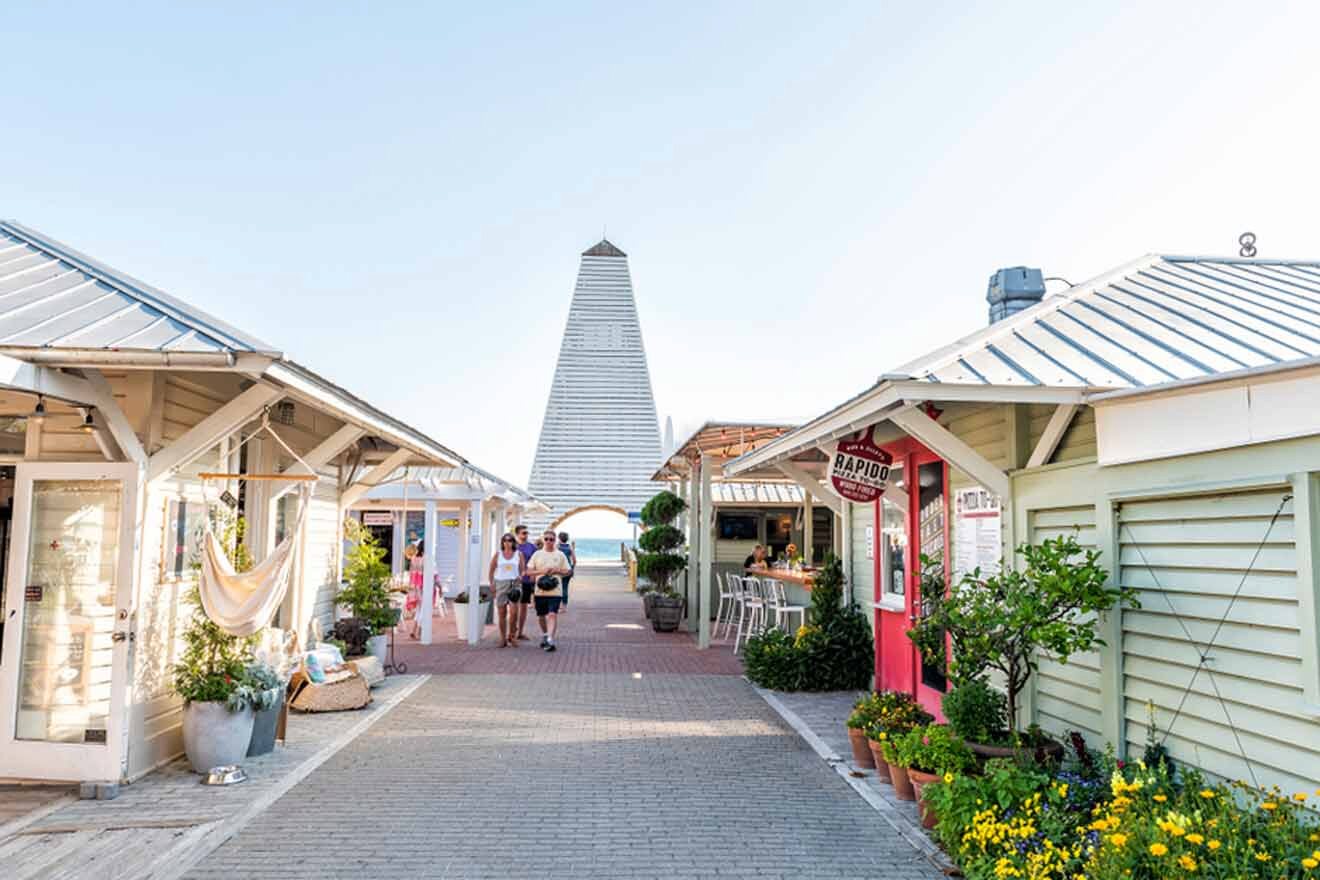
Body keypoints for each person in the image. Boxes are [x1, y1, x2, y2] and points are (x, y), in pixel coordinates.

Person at [527, 529, 571, 652]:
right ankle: (545, 634)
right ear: (543, 540)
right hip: (540, 591)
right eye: (546, 539)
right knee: (541, 616)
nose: (549, 541)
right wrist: (542, 571)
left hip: (555, 590)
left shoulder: (560, 555)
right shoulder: (537, 554)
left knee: (552, 614)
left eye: (551, 539)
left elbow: (568, 571)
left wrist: (556, 570)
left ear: (555, 540)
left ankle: (551, 639)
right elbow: (528, 571)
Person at [488, 532, 526, 647]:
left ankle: (512, 636)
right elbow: (491, 570)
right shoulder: (498, 554)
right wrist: (492, 584)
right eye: (505, 540)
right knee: (502, 613)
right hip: (501, 584)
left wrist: (521, 576)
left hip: (515, 584)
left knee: (514, 613)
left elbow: (523, 570)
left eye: (510, 540)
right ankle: (503, 639)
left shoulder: (518, 554)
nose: (507, 542)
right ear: (502, 542)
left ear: (513, 542)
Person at [513, 524, 536, 641]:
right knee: (513, 608)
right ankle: (512, 631)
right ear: (517, 534)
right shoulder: (512, 547)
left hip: (527, 581)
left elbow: (536, 562)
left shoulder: (532, 547)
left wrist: (534, 575)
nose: (526, 535)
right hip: (513, 581)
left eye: (527, 533)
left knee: (523, 608)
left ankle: (520, 632)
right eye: (523, 533)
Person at [558, 531, 576, 609]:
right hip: (568, 569)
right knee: (565, 587)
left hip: (559, 570)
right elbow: (574, 560)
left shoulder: (557, 547)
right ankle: (564, 606)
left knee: (558, 588)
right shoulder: (570, 548)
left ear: (559, 538)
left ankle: (558, 605)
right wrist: (572, 568)